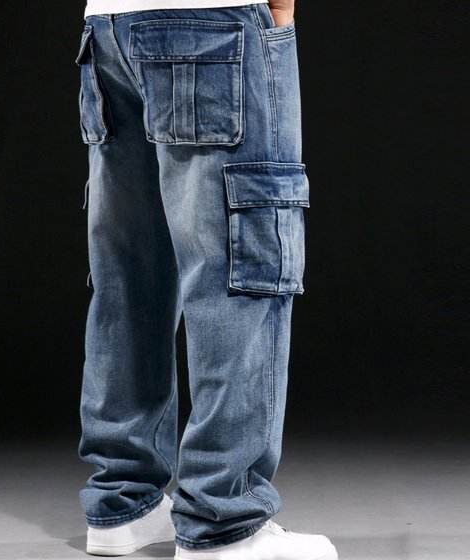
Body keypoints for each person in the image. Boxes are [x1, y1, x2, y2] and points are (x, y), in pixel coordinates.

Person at [75, 0, 338, 558]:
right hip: (218, 22)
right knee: (240, 267)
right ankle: (224, 520)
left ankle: (124, 502)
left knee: (131, 274)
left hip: (108, 28)